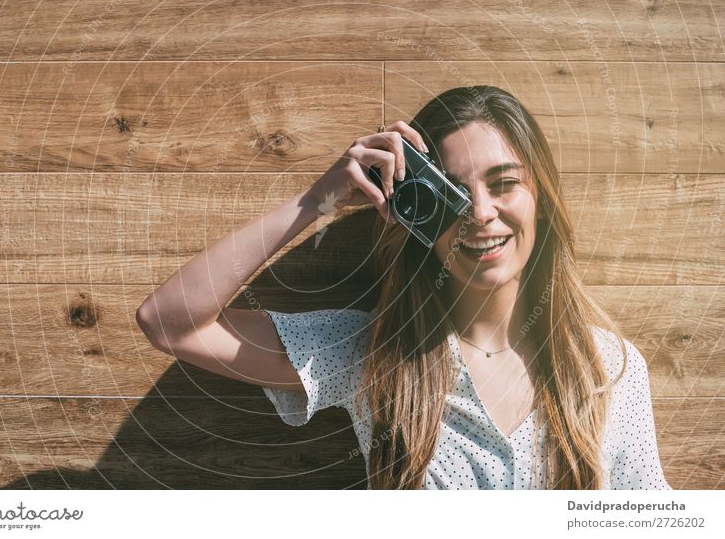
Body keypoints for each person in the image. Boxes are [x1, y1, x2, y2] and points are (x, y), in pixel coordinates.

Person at [135, 85, 672, 490]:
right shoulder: (372, 354)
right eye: (452, 195)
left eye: (504, 184)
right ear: (416, 215)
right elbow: (168, 322)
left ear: (542, 198)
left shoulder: (609, 370)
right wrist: (321, 199)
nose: (481, 214)